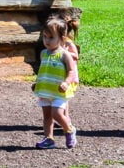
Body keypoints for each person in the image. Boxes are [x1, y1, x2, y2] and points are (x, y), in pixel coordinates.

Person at [32, 17, 78, 149]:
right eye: (45, 37)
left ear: (62, 38)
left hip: (59, 92)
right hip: (45, 90)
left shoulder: (64, 55)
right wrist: (37, 83)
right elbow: (43, 71)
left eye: (51, 37)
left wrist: (66, 82)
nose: (46, 40)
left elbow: (71, 71)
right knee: (47, 117)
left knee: (56, 113)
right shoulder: (43, 54)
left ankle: (69, 129)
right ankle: (49, 139)